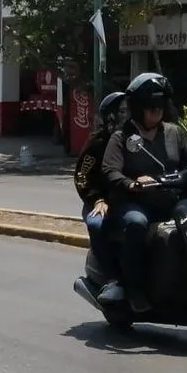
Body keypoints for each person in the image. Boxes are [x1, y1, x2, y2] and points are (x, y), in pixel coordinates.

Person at [101, 73, 187, 313]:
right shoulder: (121, 138)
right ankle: (135, 289)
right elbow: (109, 169)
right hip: (134, 202)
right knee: (137, 223)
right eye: (150, 107)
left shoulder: (174, 133)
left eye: (160, 106)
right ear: (137, 109)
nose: (156, 112)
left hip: (170, 199)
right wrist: (130, 183)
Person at [75, 91, 128, 304]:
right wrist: (97, 198)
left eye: (130, 111)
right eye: (122, 111)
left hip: (129, 198)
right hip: (101, 202)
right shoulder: (97, 143)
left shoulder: (135, 139)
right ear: (110, 115)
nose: (127, 116)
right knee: (97, 224)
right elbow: (81, 176)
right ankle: (111, 279)